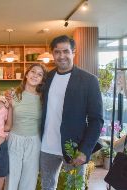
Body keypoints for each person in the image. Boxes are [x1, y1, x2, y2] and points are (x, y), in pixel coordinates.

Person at [40, 35, 103, 190]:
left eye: (66, 51)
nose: (61, 56)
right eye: (57, 52)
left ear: (73, 52)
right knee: (47, 186)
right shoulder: (47, 78)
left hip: (74, 149)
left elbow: (96, 120)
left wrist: (84, 150)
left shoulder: (89, 81)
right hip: (47, 147)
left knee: (74, 187)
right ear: (52, 54)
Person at [5, 63, 47, 190]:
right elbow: (9, 124)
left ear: (42, 80)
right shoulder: (13, 95)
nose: (35, 76)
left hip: (34, 141)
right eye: (33, 72)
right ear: (27, 74)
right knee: (11, 178)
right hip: (14, 140)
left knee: (29, 180)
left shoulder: (43, 98)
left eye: (40, 74)